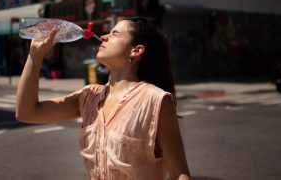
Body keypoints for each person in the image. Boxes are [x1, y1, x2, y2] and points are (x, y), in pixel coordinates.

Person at [16, 17, 191, 180]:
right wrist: (35, 56)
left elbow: (180, 174)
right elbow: (27, 113)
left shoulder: (155, 101)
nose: (104, 37)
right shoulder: (89, 96)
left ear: (136, 50)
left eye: (115, 33)